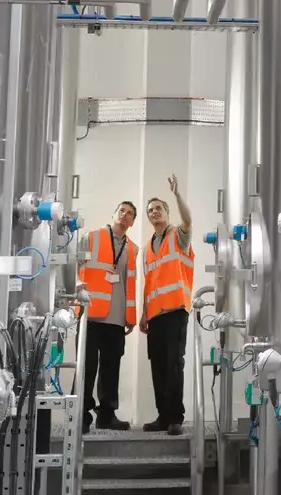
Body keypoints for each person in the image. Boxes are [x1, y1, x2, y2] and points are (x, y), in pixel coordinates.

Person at [139, 175, 195, 434]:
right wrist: (143, 314)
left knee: (174, 363)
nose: (154, 212)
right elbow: (148, 283)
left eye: (158, 208)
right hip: (155, 315)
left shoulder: (178, 235)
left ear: (167, 212)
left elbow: (188, 220)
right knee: (158, 366)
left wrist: (177, 194)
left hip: (175, 310)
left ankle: (175, 418)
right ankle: (162, 415)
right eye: (150, 210)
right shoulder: (147, 248)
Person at [77, 200, 140, 432]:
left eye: (130, 214)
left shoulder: (133, 249)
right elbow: (74, 267)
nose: (125, 215)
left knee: (111, 369)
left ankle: (106, 415)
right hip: (91, 316)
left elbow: (130, 284)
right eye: (122, 211)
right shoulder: (91, 238)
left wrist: (130, 315)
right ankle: (80, 416)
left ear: (133, 222)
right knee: (86, 367)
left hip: (116, 319)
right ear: (114, 214)